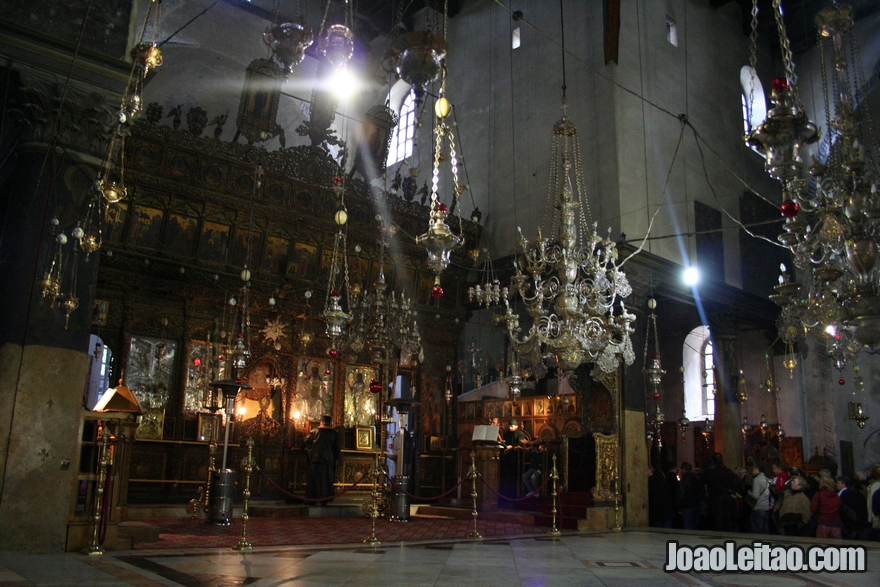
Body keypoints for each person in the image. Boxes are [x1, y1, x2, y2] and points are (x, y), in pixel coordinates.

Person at [303, 415, 341, 505]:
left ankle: (311, 499)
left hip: (315, 460)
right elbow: (337, 449)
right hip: (328, 461)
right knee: (326, 481)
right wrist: (334, 458)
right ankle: (325, 500)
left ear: (321, 423)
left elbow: (305, 442)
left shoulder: (314, 432)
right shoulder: (334, 434)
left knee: (314, 481)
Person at [703, 452, 739, 532]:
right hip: (727, 497)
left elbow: (704, 484)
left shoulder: (710, 472)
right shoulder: (728, 472)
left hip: (715, 497)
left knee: (717, 517)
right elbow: (734, 485)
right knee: (726, 517)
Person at [677, 462, 702, 530]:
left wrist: (679, 506)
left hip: (687, 505)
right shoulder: (697, 478)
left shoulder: (684, 479)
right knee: (695, 525)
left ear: (683, 469)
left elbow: (681, 493)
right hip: (696, 504)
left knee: (688, 525)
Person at [749, 463, 771, 534]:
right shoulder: (767, 478)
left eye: (753, 469)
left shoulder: (757, 479)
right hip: (766, 506)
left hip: (758, 506)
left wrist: (749, 492)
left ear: (757, 469)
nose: (752, 470)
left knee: (757, 529)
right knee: (765, 528)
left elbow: (755, 496)